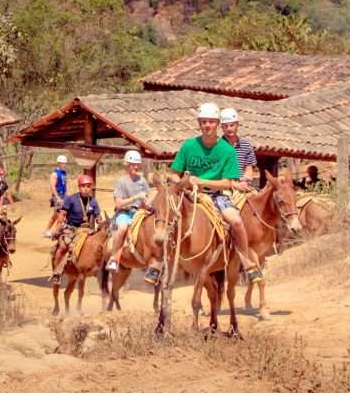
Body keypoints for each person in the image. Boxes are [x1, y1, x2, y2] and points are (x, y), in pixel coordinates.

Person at [158, 102, 262, 285]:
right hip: (188, 194)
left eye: (211, 122)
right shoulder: (189, 146)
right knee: (162, 214)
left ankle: (246, 261)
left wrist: (202, 182)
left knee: (236, 221)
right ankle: (157, 262)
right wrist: (183, 182)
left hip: (217, 196)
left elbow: (228, 182)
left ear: (217, 124)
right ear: (199, 123)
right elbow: (173, 174)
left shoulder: (227, 150)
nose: (207, 125)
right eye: (204, 121)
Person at [46, 174, 101, 284]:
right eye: (83, 186)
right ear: (79, 187)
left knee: (100, 245)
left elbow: (98, 217)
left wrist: (102, 222)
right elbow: (62, 215)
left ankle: (99, 269)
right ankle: (57, 272)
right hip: (71, 229)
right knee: (62, 247)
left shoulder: (93, 202)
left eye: (88, 186)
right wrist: (58, 228)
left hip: (87, 230)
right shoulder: (71, 199)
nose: (86, 189)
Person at [105, 150, 150, 273]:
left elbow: (146, 199)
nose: (136, 167)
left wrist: (147, 203)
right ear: (127, 165)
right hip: (124, 213)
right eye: (133, 164)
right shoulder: (121, 182)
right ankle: (114, 258)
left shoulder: (143, 181)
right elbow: (118, 203)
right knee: (122, 228)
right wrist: (135, 198)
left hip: (139, 213)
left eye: (137, 164)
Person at [220, 108, 258, 189]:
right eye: (226, 126)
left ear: (237, 124)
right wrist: (235, 184)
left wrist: (246, 180)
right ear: (222, 127)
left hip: (242, 185)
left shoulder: (246, 145)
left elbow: (249, 169)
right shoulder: (217, 146)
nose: (229, 128)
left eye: (231, 125)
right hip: (222, 187)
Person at [43, 155, 69, 237]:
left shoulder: (64, 173)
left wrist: (67, 195)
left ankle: (47, 231)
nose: (64, 165)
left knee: (55, 215)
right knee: (59, 216)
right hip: (58, 195)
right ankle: (53, 232)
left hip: (63, 195)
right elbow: (52, 186)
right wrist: (57, 197)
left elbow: (65, 184)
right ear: (59, 163)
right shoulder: (54, 174)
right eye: (62, 163)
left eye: (65, 163)